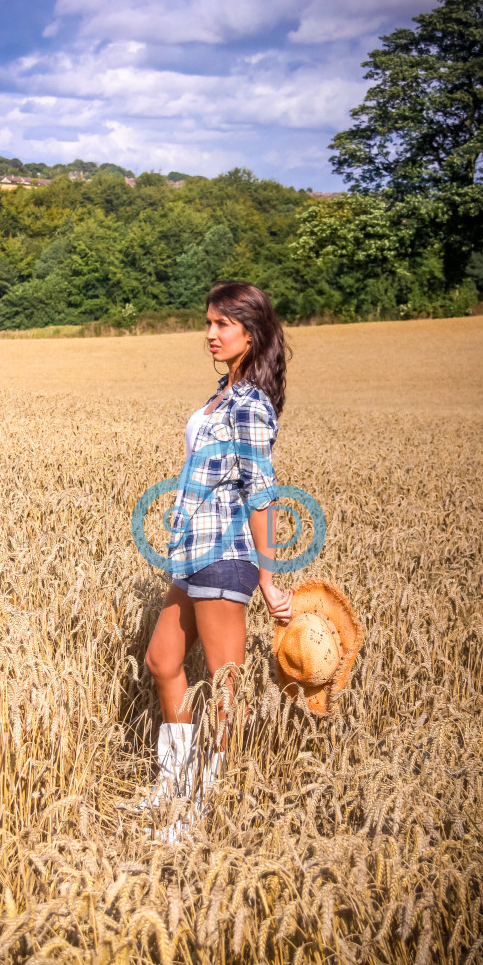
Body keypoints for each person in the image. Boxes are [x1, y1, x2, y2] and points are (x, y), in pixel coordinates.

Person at [141, 280, 294, 815]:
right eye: (208, 322)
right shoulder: (222, 396)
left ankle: (206, 801)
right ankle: (174, 782)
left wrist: (268, 577)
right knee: (162, 660)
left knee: (226, 689)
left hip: (226, 556)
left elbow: (261, 490)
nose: (210, 333)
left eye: (222, 324)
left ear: (250, 334)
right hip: (192, 552)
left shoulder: (249, 402)